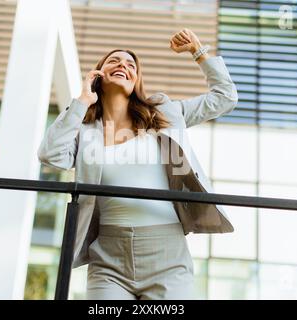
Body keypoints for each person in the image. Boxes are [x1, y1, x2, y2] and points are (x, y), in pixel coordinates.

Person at [38, 28, 238, 300]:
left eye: (131, 64)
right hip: (108, 257)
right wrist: (82, 102)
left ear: (136, 80)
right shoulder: (85, 130)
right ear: (98, 75)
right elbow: (50, 154)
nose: (123, 65)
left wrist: (198, 52)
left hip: (166, 253)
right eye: (114, 61)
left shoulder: (165, 113)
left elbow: (225, 98)